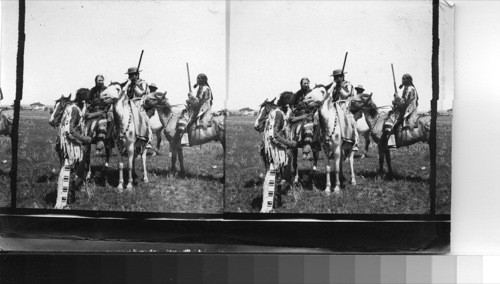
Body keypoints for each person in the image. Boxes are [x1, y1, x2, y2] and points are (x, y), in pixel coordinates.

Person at [176, 73, 213, 147]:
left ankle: (186, 141)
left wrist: (191, 97)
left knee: (187, 120)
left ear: (202, 80)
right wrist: (191, 99)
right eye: (197, 78)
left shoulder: (205, 88)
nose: (197, 80)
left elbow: (199, 101)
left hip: (203, 108)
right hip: (201, 106)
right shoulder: (201, 87)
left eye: (198, 79)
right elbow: (197, 100)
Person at [384, 74, 419, 147]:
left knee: (392, 121)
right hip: (407, 107)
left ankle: (392, 143)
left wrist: (397, 99)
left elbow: (405, 102)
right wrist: (397, 99)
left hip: (409, 109)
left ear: (407, 80)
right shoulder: (407, 88)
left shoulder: (410, 88)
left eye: (404, 79)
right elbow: (403, 100)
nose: (402, 81)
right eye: (402, 79)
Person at [123, 67, 152, 149]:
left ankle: (148, 139)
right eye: (129, 75)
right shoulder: (129, 84)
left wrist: (135, 84)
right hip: (129, 103)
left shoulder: (143, 82)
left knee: (145, 119)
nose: (130, 77)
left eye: (131, 75)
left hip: (139, 103)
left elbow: (141, 93)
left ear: (136, 75)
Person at [329, 69, 358, 150]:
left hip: (346, 105)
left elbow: (346, 95)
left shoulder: (348, 84)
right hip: (335, 106)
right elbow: (332, 97)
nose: (334, 79)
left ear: (341, 77)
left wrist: (341, 87)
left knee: (351, 121)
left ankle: (354, 142)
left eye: (336, 77)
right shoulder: (335, 86)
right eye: (334, 77)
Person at [288, 78, 316, 153]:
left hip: (309, 115)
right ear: (301, 84)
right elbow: (291, 104)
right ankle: (291, 145)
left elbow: (316, 104)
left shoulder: (313, 93)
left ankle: (308, 145)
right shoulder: (297, 94)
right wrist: (294, 109)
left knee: (310, 127)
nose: (306, 85)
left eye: (307, 83)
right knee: (290, 129)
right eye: (304, 83)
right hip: (298, 116)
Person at [86, 74, 112, 151]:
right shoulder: (92, 90)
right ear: (96, 81)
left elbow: (109, 102)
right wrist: (91, 106)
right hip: (93, 112)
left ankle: (101, 141)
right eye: (99, 80)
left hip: (104, 111)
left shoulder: (107, 90)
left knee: (103, 122)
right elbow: (88, 102)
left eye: (102, 80)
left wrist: (105, 110)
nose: (100, 82)